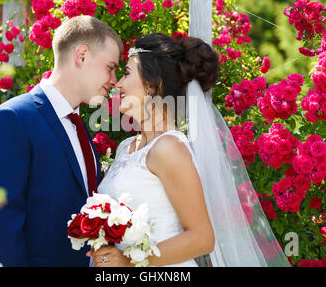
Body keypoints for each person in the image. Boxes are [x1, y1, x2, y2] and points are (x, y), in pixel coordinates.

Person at [89, 33, 291, 267]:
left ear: (153, 85)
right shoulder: (127, 147)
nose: (117, 83)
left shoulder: (169, 148)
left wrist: (128, 262)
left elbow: (202, 238)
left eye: (126, 73)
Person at [0, 15, 123, 266]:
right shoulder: (12, 119)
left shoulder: (79, 128)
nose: (114, 80)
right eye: (110, 67)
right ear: (82, 55)